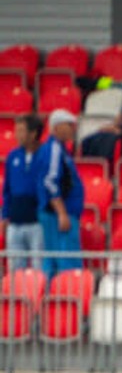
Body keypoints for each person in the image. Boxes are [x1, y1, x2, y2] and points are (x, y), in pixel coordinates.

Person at [33, 111, 83, 278]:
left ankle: (50, 298)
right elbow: (50, 181)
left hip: (53, 213)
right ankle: (66, 298)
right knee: (66, 261)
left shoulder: (58, 149)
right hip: (58, 215)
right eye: (69, 125)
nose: (72, 129)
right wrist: (62, 213)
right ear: (56, 127)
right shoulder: (54, 149)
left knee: (52, 260)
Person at [3, 114, 44, 270]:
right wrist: (5, 216)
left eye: (20, 130)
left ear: (33, 134)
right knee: (14, 272)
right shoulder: (13, 156)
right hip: (15, 223)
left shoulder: (45, 155)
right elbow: (7, 190)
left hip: (38, 224)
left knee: (38, 269)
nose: (16, 135)